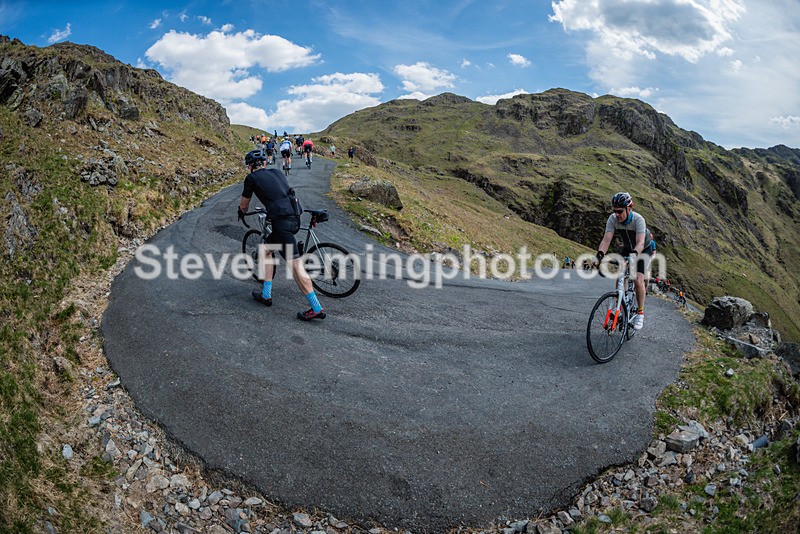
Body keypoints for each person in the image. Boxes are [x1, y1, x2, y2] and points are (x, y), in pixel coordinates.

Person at [237, 150, 326, 321]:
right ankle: (266, 294)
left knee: (295, 266)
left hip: (282, 224)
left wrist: (241, 213)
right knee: (265, 250)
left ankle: (316, 307)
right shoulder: (277, 172)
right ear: (263, 163)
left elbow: (244, 205)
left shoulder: (251, 178)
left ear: (249, 166)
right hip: (293, 218)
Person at [593, 192, 654, 330]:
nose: (617, 215)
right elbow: (606, 239)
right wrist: (600, 255)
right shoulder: (613, 219)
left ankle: (640, 313)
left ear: (629, 209)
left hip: (643, 249)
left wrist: (633, 257)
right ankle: (617, 304)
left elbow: (640, 243)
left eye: (620, 211)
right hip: (627, 248)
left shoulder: (638, 220)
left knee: (638, 279)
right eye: (614, 211)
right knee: (621, 273)